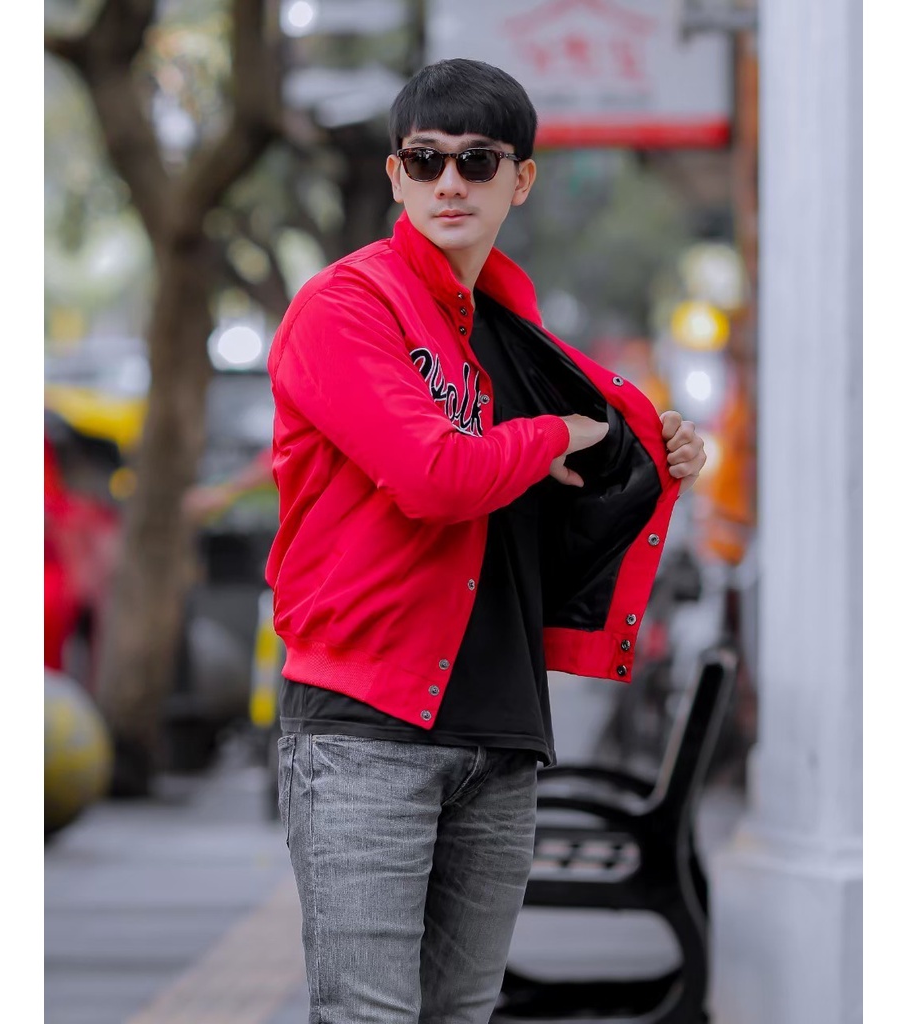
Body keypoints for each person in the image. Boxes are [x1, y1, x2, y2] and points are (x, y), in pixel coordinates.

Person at [264, 58, 707, 1023]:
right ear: (395, 177)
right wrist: (562, 434)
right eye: (425, 161)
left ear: (521, 178)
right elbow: (434, 476)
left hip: (499, 729)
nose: (450, 183)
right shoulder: (345, 307)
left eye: (478, 160)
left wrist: (656, 447)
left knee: (462, 1013)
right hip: (366, 728)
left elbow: (584, 458)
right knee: (369, 1015)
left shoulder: (510, 331)